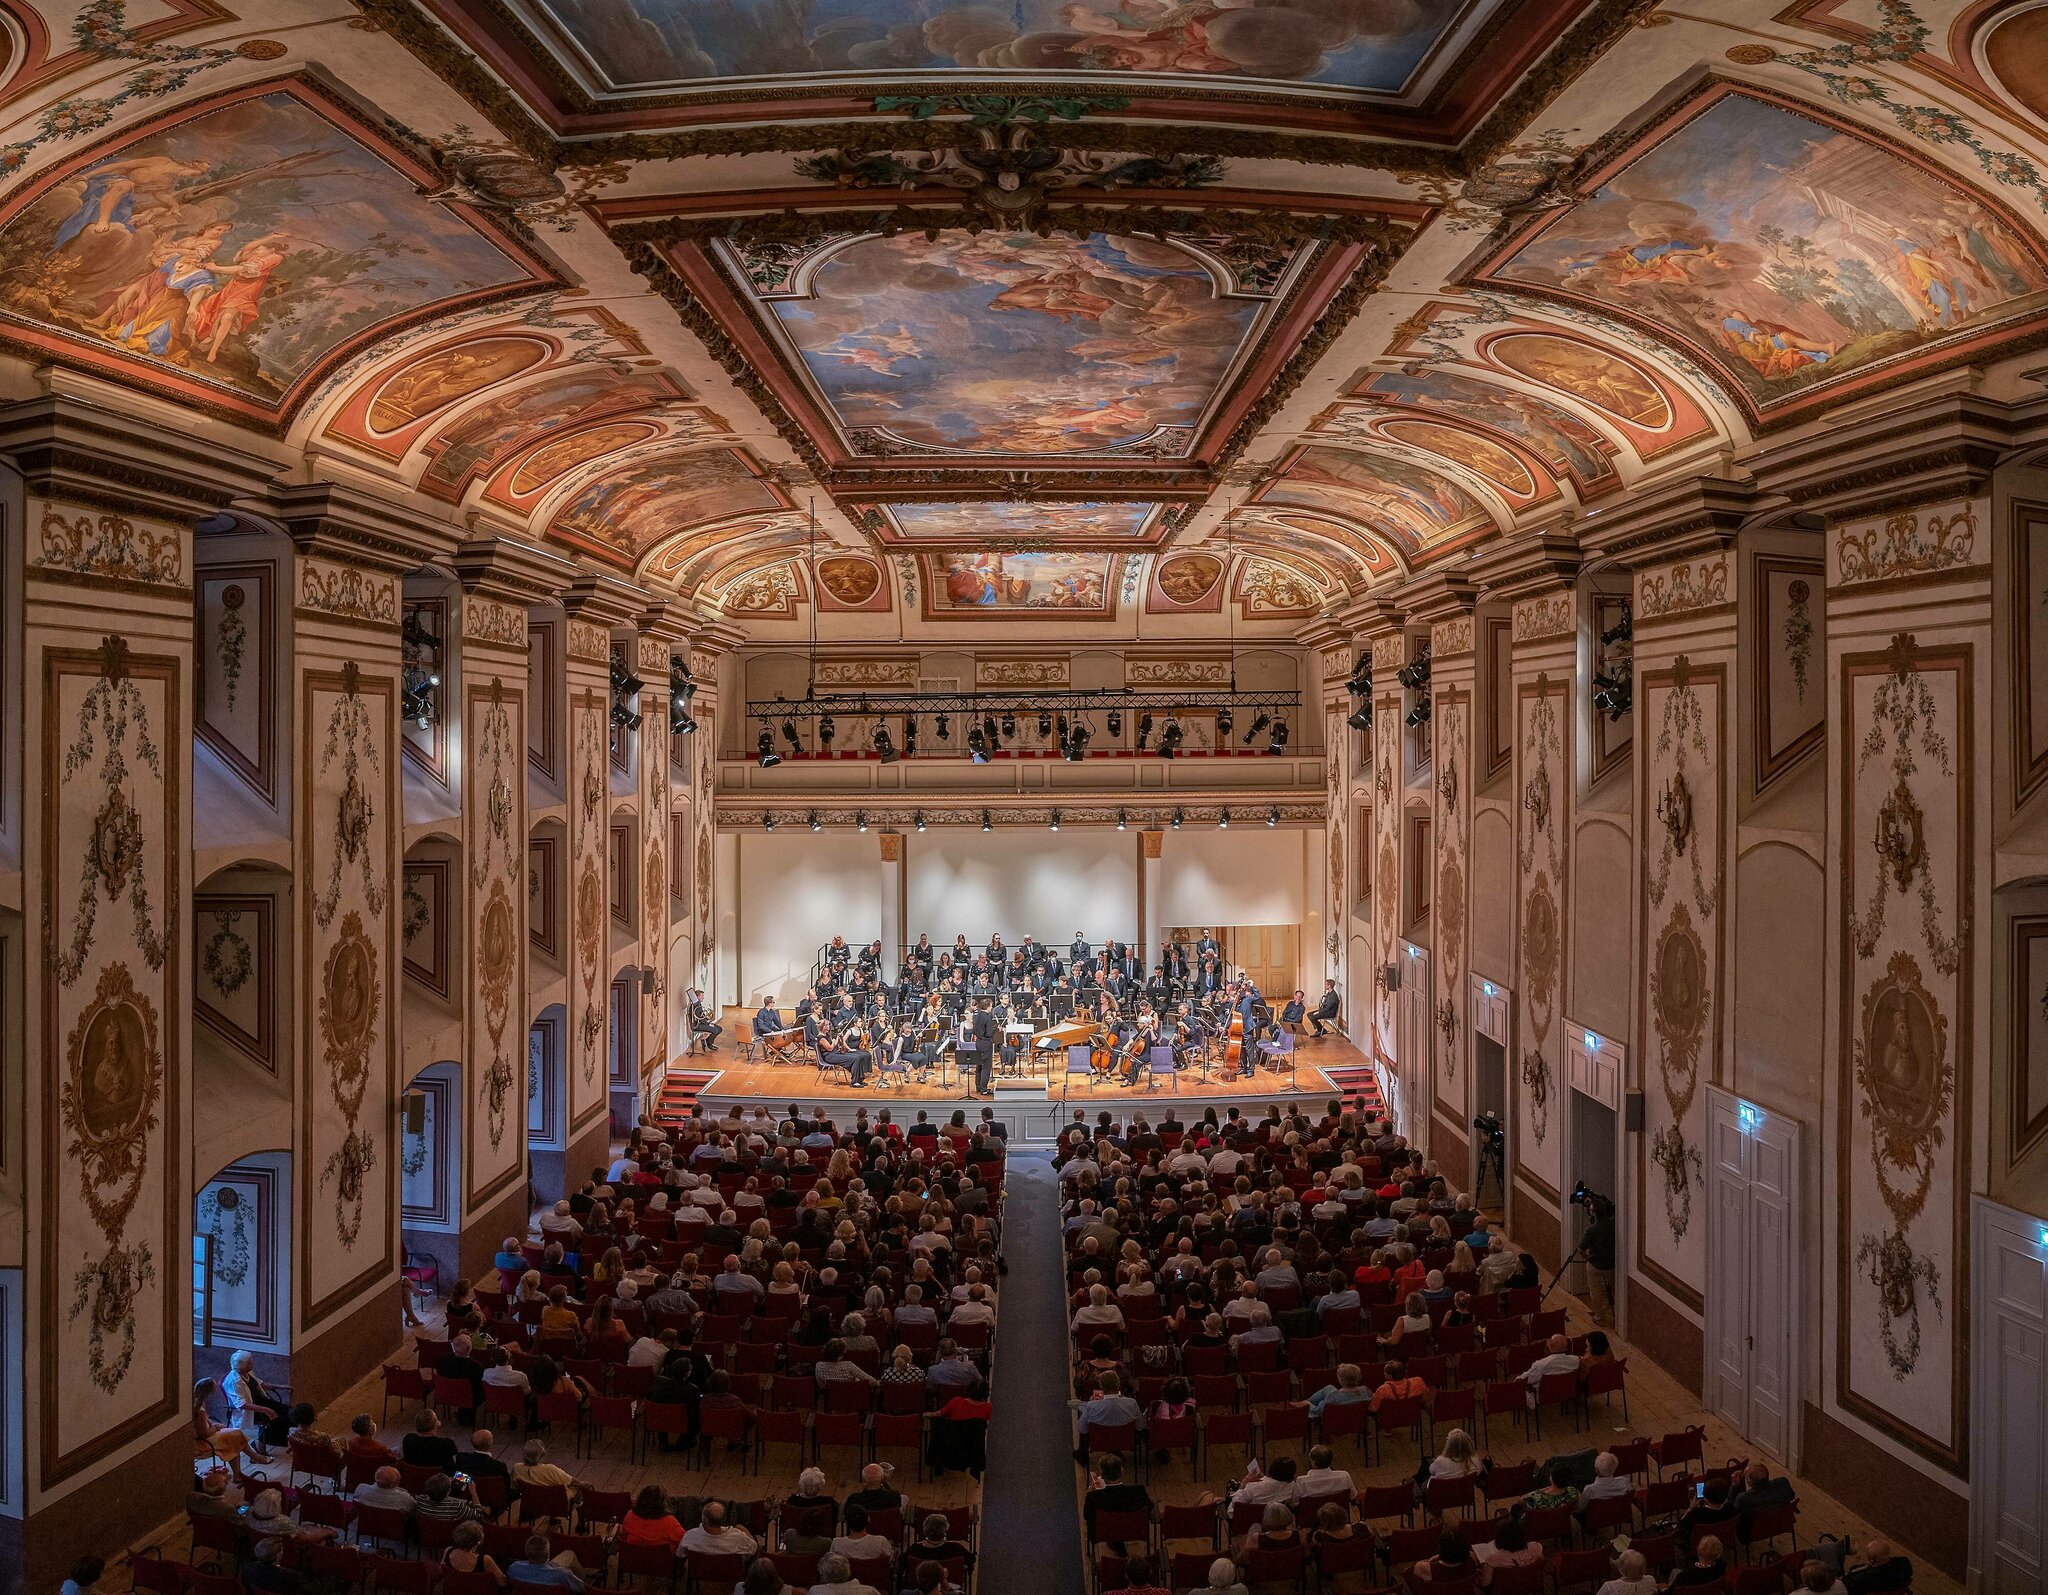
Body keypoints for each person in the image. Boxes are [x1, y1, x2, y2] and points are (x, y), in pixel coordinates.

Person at [681, 1499, 759, 1557]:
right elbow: (754, 1549)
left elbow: (680, 1554)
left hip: (700, 1575)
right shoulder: (738, 1537)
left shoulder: (690, 1536)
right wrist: (742, 1529)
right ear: (723, 1520)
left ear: (704, 1520)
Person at [621, 1484, 686, 1550]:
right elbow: (685, 1541)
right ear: (663, 1504)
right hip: (662, 1559)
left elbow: (624, 1536)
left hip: (633, 1558)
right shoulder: (670, 1523)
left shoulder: (630, 1516)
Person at [1523, 1334, 1581, 1407]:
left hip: (1544, 1396)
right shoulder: (1575, 1361)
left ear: (1549, 1346)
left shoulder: (1541, 1364)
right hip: (1566, 1392)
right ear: (1566, 1348)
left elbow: (1525, 1379)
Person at [970, 996, 997, 1098]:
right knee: (986, 1066)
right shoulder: (987, 1017)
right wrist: (996, 1030)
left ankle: (978, 1086)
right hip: (986, 1043)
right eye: (991, 1006)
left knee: (979, 1065)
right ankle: (984, 1089)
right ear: (987, 1006)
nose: (991, 1008)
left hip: (978, 1042)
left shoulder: (976, 1015)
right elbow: (989, 1033)